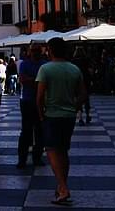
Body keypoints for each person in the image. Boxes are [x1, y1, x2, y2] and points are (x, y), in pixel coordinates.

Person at [36, 37, 86, 206]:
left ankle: (63, 188)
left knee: (51, 150)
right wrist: (75, 107)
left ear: (50, 49)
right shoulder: (74, 69)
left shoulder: (45, 69)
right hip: (69, 116)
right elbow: (83, 94)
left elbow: (40, 96)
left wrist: (41, 115)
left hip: (52, 115)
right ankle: (61, 186)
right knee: (63, 151)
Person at [17, 43, 46, 168]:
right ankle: (22, 159)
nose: (35, 52)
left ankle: (37, 157)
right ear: (29, 51)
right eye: (33, 50)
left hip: (41, 101)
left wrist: (33, 80)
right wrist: (39, 82)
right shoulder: (24, 64)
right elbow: (23, 80)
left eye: (37, 50)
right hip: (27, 101)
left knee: (40, 131)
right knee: (26, 131)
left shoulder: (44, 64)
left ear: (41, 51)